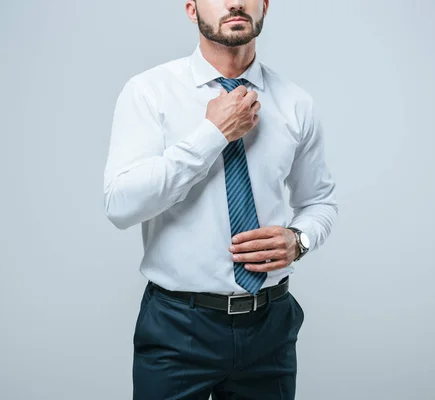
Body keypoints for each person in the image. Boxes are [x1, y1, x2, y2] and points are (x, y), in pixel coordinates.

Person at [103, 0, 338, 398]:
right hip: (177, 327)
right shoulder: (149, 92)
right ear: (192, 9)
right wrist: (212, 133)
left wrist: (299, 240)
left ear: (264, 7)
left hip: (270, 326)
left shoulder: (296, 103)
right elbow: (121, 206)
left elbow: (320, 202)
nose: (234, 3)